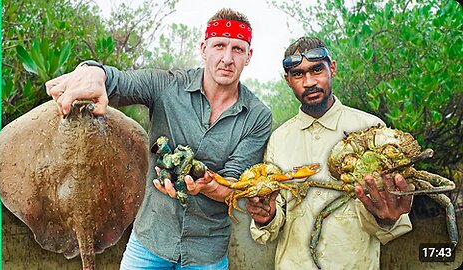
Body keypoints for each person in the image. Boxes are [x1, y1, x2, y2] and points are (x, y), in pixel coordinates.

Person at [45, 8, 272, 270]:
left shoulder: (257, 116)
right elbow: (120, 81)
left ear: (249, 56)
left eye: (237, 49)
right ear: (204, 48)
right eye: (219, 46)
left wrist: (207, 185)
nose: (227, 58)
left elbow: (234, 185)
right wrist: (93, 72)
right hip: (150, 241)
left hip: (206, 253)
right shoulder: (166, 85)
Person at [246, 37, 413, 269]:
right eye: (298, 74)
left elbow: (391, 219)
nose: (309, 82)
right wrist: (266, 217)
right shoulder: (279, 139)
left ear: (331, 68)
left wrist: (387, 218)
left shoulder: (373, 129)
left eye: (317, 70)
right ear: (287, 80)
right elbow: (275, 218)